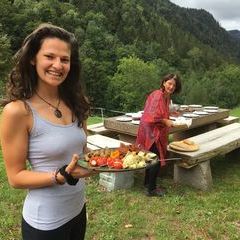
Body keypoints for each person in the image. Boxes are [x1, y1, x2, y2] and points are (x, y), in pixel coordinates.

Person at [0, 23, 94, 240]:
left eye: (65, 59)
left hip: (77, 210)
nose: (57, 65)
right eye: (49, 56)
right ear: (33, 58)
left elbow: (84, 152)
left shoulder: (77, 104)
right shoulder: (18, 111)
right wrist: (59, 176)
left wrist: (106, 163)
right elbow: (15, 177)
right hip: (45, 223)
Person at [136, 73, 182, 197]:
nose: (171, 86)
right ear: (164, 83)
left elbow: (160, 112)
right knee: (155, 160)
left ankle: (147, 183)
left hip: (154, 131)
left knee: (150, 158)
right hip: (150, 132)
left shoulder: (166, 97)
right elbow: (152, 115)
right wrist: (165, 121)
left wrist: (171, 115)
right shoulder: (158, 95)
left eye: (174, 85)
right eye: (169, 83)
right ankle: (151, 189)